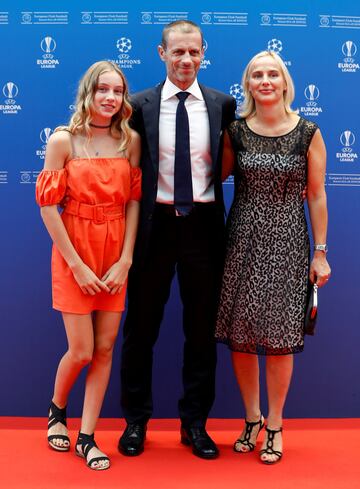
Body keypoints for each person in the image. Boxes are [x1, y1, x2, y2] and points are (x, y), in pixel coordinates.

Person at [118, 20, 236, 459]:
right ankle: (135, 422)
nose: (186, 60)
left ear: (204, 53)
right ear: (160, 53)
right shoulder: (137, 105)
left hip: (204, 227)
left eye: (194, 52)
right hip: (154, 227)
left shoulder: (223, 105)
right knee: (140, 329)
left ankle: (195, 424)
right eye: (178, 52)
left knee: (201, 332)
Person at [215, 50, 331, 464]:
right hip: (242, 240)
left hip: (288, 242)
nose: (265, 81)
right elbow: (217, 177)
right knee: (242, 336)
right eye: (256, 75)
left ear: (285, 83)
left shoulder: (307, 132)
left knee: (280, 339)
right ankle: (251, 418)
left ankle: (276, 423)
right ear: (247, 85)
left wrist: (320, 253)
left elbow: (316, 195)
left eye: (272, 74)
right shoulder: (236, 131)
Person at [36, 61, 141, 470]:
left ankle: (87, 437)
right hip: (73, 249)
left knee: (104, 348)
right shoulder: (64, 140)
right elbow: (48, 207)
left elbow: (133, 201)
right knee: (80, 350)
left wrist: (127, 259)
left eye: (117, 91)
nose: (110, 98)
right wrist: (76, 265)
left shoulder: (128, 140)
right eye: (103, 90)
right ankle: (57, 410)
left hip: (114, 249)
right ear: (89, 92)